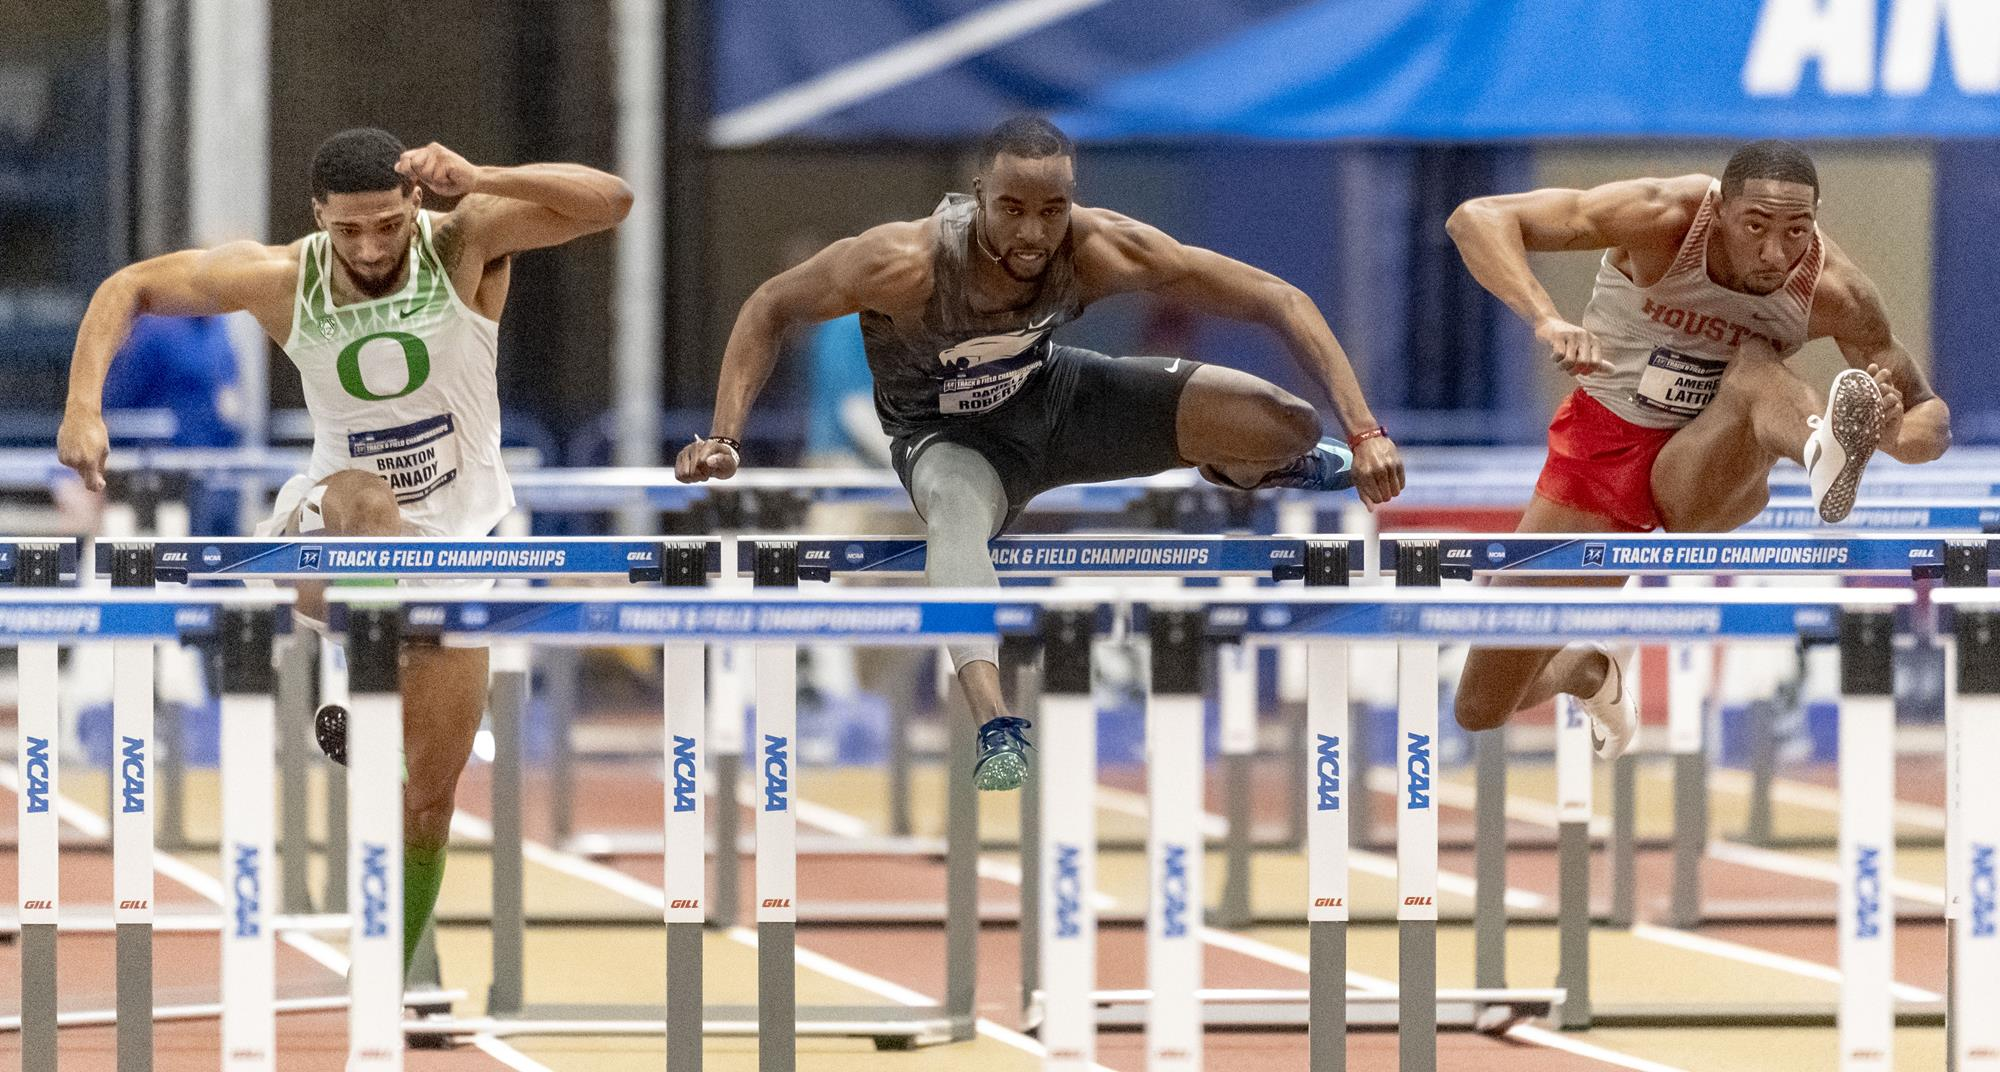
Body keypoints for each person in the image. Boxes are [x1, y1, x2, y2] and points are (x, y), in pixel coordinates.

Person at [675, 116, 1405, 791]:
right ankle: (998, 725)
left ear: (1071, 201)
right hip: (949, 440)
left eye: (1051, 211)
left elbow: (1277, 297)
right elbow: (769, 304)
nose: (1032, 232)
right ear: (978, 197)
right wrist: (725, 435)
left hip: (1057, 401)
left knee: (1287, 422)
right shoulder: (903, 262)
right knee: (957, 518)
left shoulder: (1099, 247)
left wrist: (1367, 431)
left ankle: (1252, 464)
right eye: (1012, 209)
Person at [56, 127, 632, 975]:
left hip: (459, 549)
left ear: (414, 206)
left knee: (428, 805)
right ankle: (361, 703)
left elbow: (611, 202)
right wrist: (82, 406)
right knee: (368, 499)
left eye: (387, 226)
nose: (368, 247)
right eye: (348, 229)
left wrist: (486, 175)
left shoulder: (464, 238)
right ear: (319, 218)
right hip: (328, 533)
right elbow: (130, 286)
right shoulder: (286, 278)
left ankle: (385, 980)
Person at [1444, 140, 1950, 758]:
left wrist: (1893, 433)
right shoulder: (1665, 216)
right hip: (1601, 448)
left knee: (1756, 368)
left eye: (1797, 230)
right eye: (1756, 227)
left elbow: (1930, 416)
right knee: (1480, 706)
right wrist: (1546, 318)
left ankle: (1826, 449)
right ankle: (1589, 671)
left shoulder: (1834, 289)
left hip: (1709, 470)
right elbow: (1476, 218)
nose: (1775, 252)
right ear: (1721, 210)